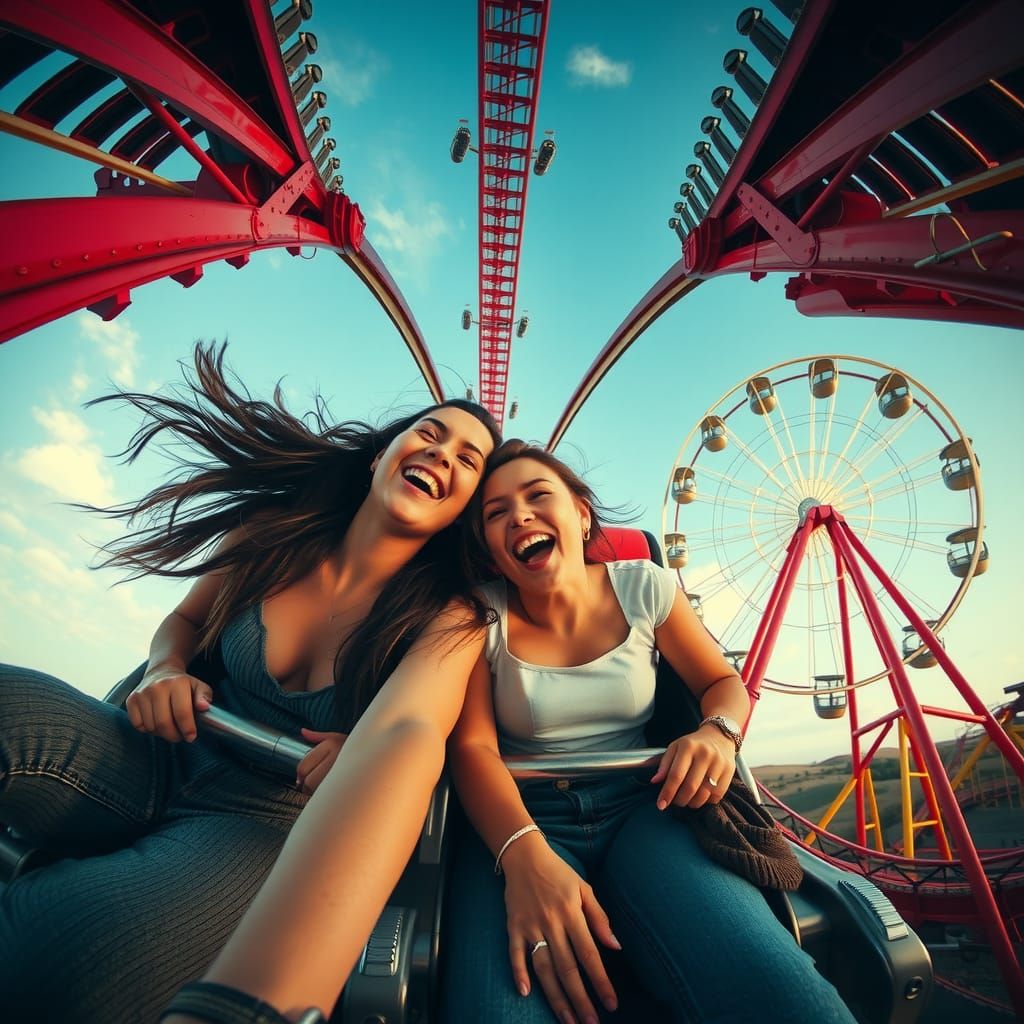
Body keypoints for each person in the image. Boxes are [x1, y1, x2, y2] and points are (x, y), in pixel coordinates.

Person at [0, 342, 501, 1023]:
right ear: (383, 454)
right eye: (431, 434)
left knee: (60, 948)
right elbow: (183, 619)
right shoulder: (273, 532)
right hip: (154, 751)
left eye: (468, 460)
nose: (443, 454)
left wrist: (362, 755)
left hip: (260, 823)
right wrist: (165, 669)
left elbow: (412, 730)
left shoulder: (450, 616)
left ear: (465, 509)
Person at [439, 441, 857, 1024]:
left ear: (581, 514)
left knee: (776, 987)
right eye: (496, 513)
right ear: (488, 545)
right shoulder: (478, 615)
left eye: (538, 496)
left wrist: (717, 734)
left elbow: (720, 682)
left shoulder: (646, 587)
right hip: (519, 815)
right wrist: (523, 857)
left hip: (648, 804)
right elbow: (474, 748)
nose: (520, 517)